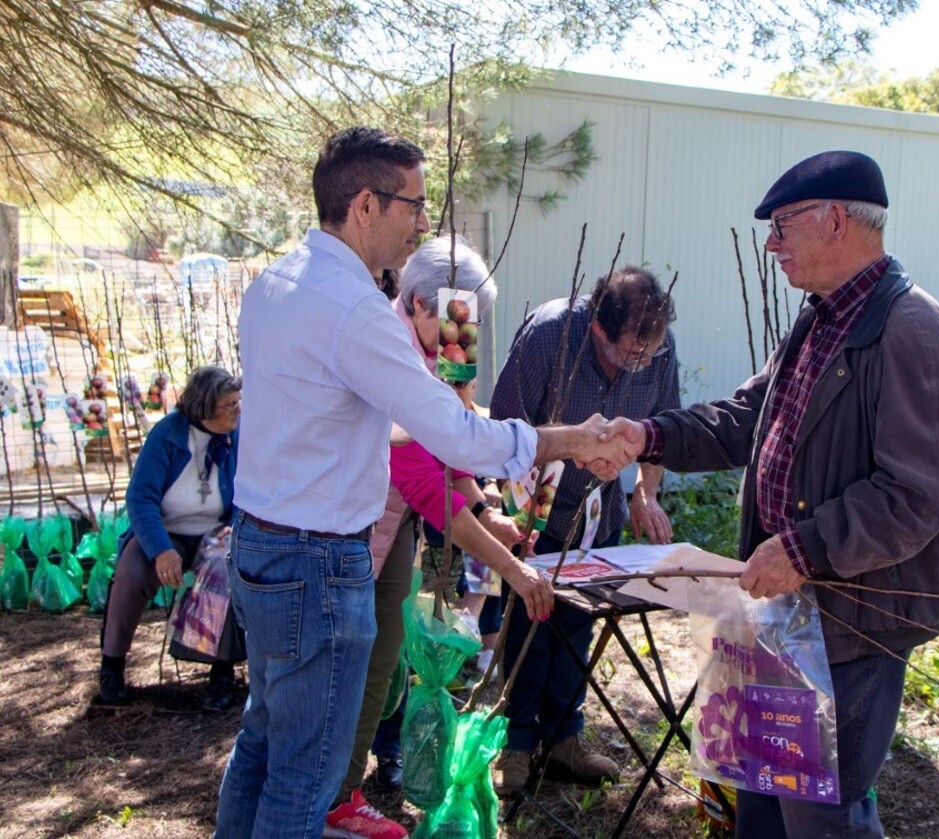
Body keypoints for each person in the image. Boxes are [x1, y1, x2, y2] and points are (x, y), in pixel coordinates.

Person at [213, 126, 629, 839]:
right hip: (317, 561)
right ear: (367, 204)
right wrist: (567, 439)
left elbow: (370, 422)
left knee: (264, 741)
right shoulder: (357, 311)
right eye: (413, 204)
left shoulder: (277, 281)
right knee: (305, 774)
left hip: (264, 544)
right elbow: (455, 436)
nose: (419, 224)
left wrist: (476, 474)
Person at [601, 151, 939, 839]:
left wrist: (804, 548)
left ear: (835, 219)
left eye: (781, 227)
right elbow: (750, 418)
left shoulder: (910, 330)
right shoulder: (824, 317)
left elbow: (917, 495)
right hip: (787, 608)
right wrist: (646, 435)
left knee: (822, 812)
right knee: (763, 795)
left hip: (849, 618)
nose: (771, 246)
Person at [325, 237, 551, 839]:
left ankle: (341, 793)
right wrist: (511, 565)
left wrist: (486, 506)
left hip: (391, 525)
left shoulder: (446, 347)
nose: (467, 326)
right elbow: (427, 483)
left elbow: (454, 442)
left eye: (474, 313)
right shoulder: (391, 351)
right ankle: (319, 795)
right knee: (340, 662)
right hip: (354, 523)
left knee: (380, 657)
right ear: (420, 302)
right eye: (460, 310)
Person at [489, 266, 681, 795]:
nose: (644, 363)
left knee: (577, 627)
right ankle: (518, 743)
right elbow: (506, 428)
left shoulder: (658, 347)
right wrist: (569, 449)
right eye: (631, 355)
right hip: (538, 508)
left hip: (600, 514)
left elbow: (662, 429)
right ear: (599, 330)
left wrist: (644, 492)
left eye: (651, 354)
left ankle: (564, 739)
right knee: (529, 628)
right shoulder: (550, 334)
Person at [96, 365, 243, 711]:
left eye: (239, 402)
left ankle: (222, 674)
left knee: (229, 570)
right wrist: (161, 550)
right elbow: (141, 497)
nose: (238, 410)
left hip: (215, 532)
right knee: (131, 573)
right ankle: (111, 668)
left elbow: (251, 491)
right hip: (166, 531)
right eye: (230, 405)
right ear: (205, 407)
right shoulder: (166, 435)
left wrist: (234, 526)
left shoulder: (240, 435)